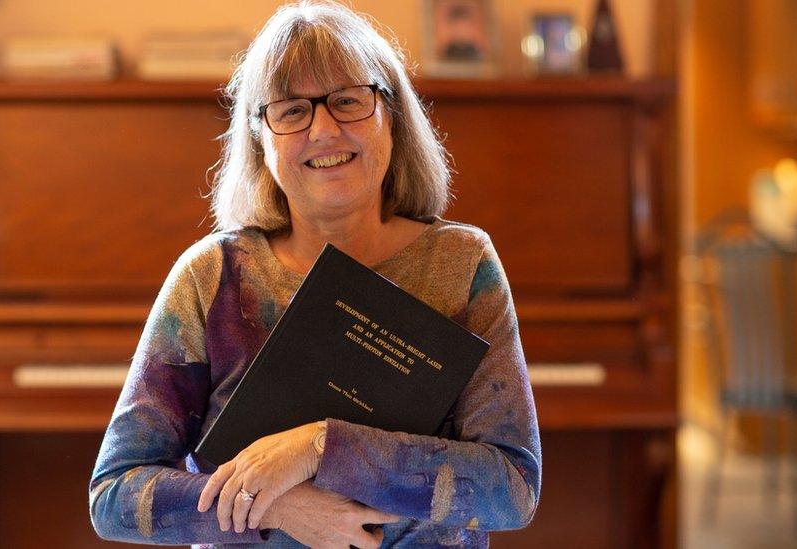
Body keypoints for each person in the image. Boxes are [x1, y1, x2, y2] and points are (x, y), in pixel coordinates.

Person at [89, 1, 541, 547]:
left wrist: (322, 447)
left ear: (391, 118)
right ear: (261, 136)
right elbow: (114, 495)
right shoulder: (211, 275)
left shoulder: (463, 264)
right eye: (291, 110)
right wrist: (273, 507)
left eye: (349, 101)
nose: (323, 129)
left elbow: (513, 488)